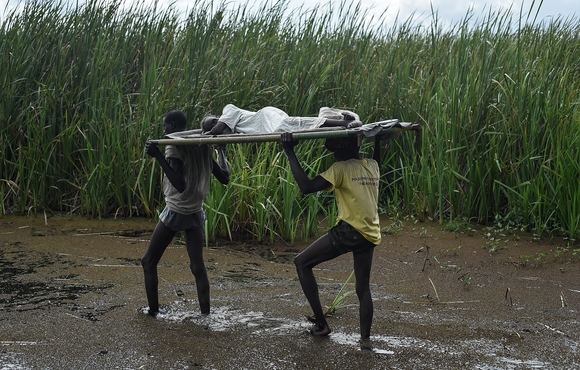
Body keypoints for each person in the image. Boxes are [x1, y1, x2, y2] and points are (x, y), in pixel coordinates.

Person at [280, 131, 384, 340]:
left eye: (335, 148)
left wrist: (289, 151)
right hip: (370, 234)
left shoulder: (341, 169)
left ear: (344, 148)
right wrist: (379, 141)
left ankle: (321, 323)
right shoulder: (372, 165)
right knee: (363, 288)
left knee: (302, 263)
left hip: (350, 232)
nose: (334, 153)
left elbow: (306, 187)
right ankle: (365, 341)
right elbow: (378, 158)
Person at [141, 110, 230, 316]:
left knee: (148, 261)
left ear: (172, 126)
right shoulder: (202, 145)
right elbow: (225, 177)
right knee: (197, 267)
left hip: (177, 210)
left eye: (165, 126)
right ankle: (205, 315)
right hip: (195, 212)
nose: (164, 131)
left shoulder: (174, 145)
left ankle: (153, 312)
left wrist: (157, 157)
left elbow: (180, 184)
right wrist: (221, 151)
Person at [201, 104, 362, 135]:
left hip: (265, 117)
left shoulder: (228, 109)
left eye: (214, 120)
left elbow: (217, 131)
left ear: (218, 116)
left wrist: (206, 133)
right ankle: (337, 118)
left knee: (286, 124)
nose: (215, 125)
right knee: (295, 126)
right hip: (265, 128)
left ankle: (344, 123)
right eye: (211, 125)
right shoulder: (230, 131)